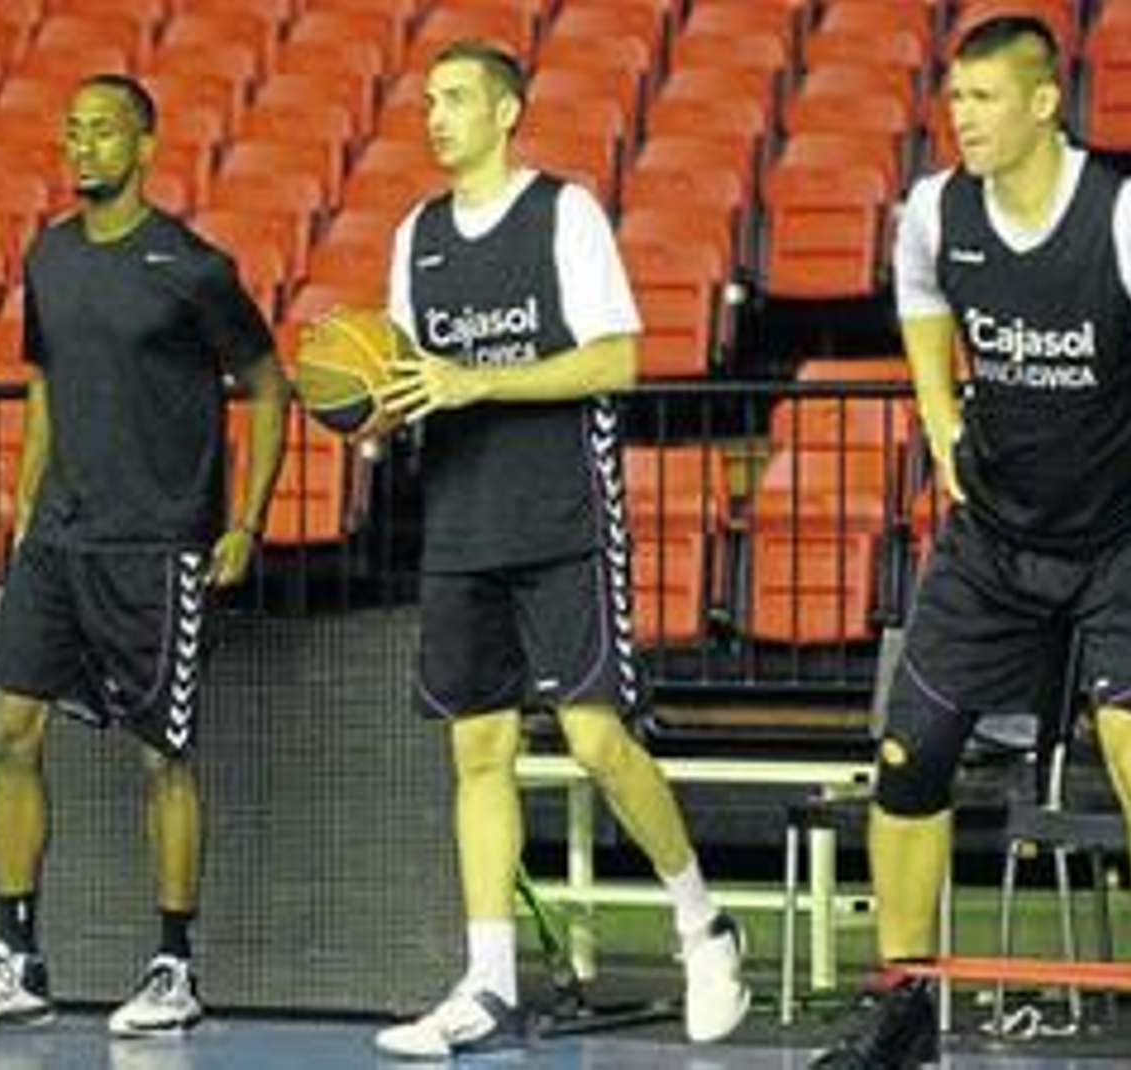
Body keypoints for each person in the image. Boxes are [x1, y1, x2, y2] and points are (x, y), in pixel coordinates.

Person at [807, 16, 1131, 1069]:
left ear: (1042, 103)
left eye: (984, 99)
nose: (963, 118)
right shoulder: (934, 210)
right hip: (993, 539)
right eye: (955, 100)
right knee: (907, 757)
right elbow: (918, 295)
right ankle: (901, 1002)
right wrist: (940, 414)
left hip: (1127, 538)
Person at [368, 40, 749, 1059]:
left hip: (563, 519)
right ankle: (488, 979)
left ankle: (701, 923)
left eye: (454, 98)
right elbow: (415, 374)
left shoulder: (562, 213)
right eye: (428, 100)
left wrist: (476, 381)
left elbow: (616, 360)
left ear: (504, 112)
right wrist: (373, 407)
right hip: (458, 526)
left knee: (594, 741)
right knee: (477, 751)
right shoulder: (416, 233)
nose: (435, 115)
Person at [0, 73, 289, 1037]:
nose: (82, 146)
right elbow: (45, 382)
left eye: (103, 130)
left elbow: (267, 385)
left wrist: (244, 520)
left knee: (162, 756)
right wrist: (22, 499)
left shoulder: (192, 267)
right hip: (58, 538)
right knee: (8, 733)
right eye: (71, 130)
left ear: (147, 142)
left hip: (158, 542)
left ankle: (173, 968)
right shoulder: (48, 255)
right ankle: (17, 958)